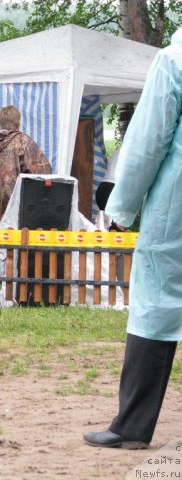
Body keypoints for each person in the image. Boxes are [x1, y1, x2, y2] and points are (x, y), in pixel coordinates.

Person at [83, 29, 182, 450]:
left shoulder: (176, 58)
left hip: (177, 205)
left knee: (157, 304)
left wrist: (121, 208)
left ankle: (131, 427)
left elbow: (146, 142)